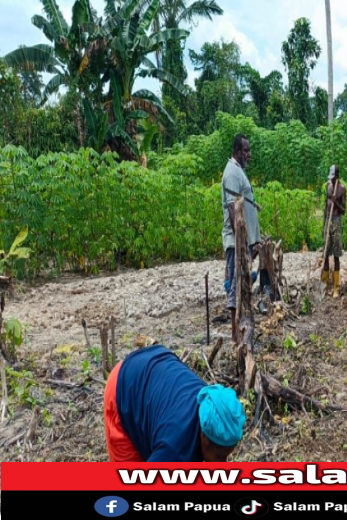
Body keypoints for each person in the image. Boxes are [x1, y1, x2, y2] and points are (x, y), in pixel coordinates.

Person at [104, 345, 246, 462]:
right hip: (123, 389)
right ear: (203, 437)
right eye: (220, 456)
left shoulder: (210, 403)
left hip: (155, 362)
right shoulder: (174, 449)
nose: (223, 463)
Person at [222, 133, 261, 343]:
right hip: (236, 241)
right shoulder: (231, 173)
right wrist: (241, 242)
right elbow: (232, 208)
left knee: (242, 284)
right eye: (246, 150)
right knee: (235, 287)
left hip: (244, 241)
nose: (249, 154)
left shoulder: (238, 172)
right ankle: (235, 336)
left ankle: (242, 332)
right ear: (237, 151)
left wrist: (253, 240)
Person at [321, 165, 347, 298]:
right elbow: (326, 206)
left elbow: (343, 211)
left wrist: (336, 203)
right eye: (330, 178)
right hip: (327, 220)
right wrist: (323, 226)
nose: (331, 180)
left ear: (337, 176)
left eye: (333, 178)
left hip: (336, 221)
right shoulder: (328, 187)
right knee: (325, 253)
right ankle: (324, 285)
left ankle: (336, 287)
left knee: (336, 255)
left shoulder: (342, 189)